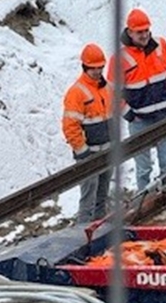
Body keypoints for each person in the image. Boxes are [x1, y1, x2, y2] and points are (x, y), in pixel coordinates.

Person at [110, 7, 166, 191]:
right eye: (140, 32)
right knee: (143, 169)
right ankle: (143, 202)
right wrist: (128, 114)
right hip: (140, 121)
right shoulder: (120, 58)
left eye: (146, 30)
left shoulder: (161, 46)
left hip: (164, 115)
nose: (144, 35)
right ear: (130, 32)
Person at [62, 43, 114, 223]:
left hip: (107, 150)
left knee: (102, 195)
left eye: (100, 67)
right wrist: (83, 151)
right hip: (89, 154)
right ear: (85, 67)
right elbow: (70, 126)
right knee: (88, 199)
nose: (98, 71)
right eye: (94, 68)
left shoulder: (105, 88)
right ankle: (81, 234)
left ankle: (100, 229)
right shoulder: (77, 93)